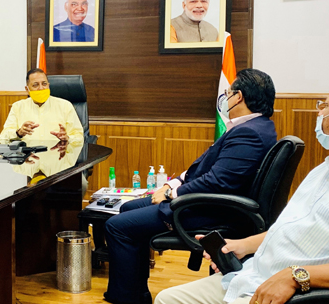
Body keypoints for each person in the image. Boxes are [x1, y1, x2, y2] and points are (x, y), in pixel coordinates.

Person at [155, 78, 329, 304]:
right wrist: (242, 245)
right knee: (167, 298)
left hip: (293, 293)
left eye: (324, 106)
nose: (319, 113)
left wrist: (296, 276)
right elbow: (297, 226)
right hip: (253, 275)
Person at [103, 68, 278, 304]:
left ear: (239, 97)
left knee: (116, 226)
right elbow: (204, 168)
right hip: (206, 201)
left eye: (228, 93)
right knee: (127, 209)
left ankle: (126, 298)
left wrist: (172, 194)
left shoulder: (249, 133)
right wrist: (171, 184)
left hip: (207, 209)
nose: (225, 98)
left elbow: (218, 182)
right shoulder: (256, 126)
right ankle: (137, 291)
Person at [0, 68, 84, 145]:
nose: (41, 88)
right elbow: (3, 138)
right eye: (35, 85)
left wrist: (68, 138)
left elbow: (80, 137)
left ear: (48, 85)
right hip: (28, 158)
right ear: (27, 89)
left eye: (44, 84)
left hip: (57, 158)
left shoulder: (65, 106)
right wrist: (18, 133)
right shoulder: (18, 107)